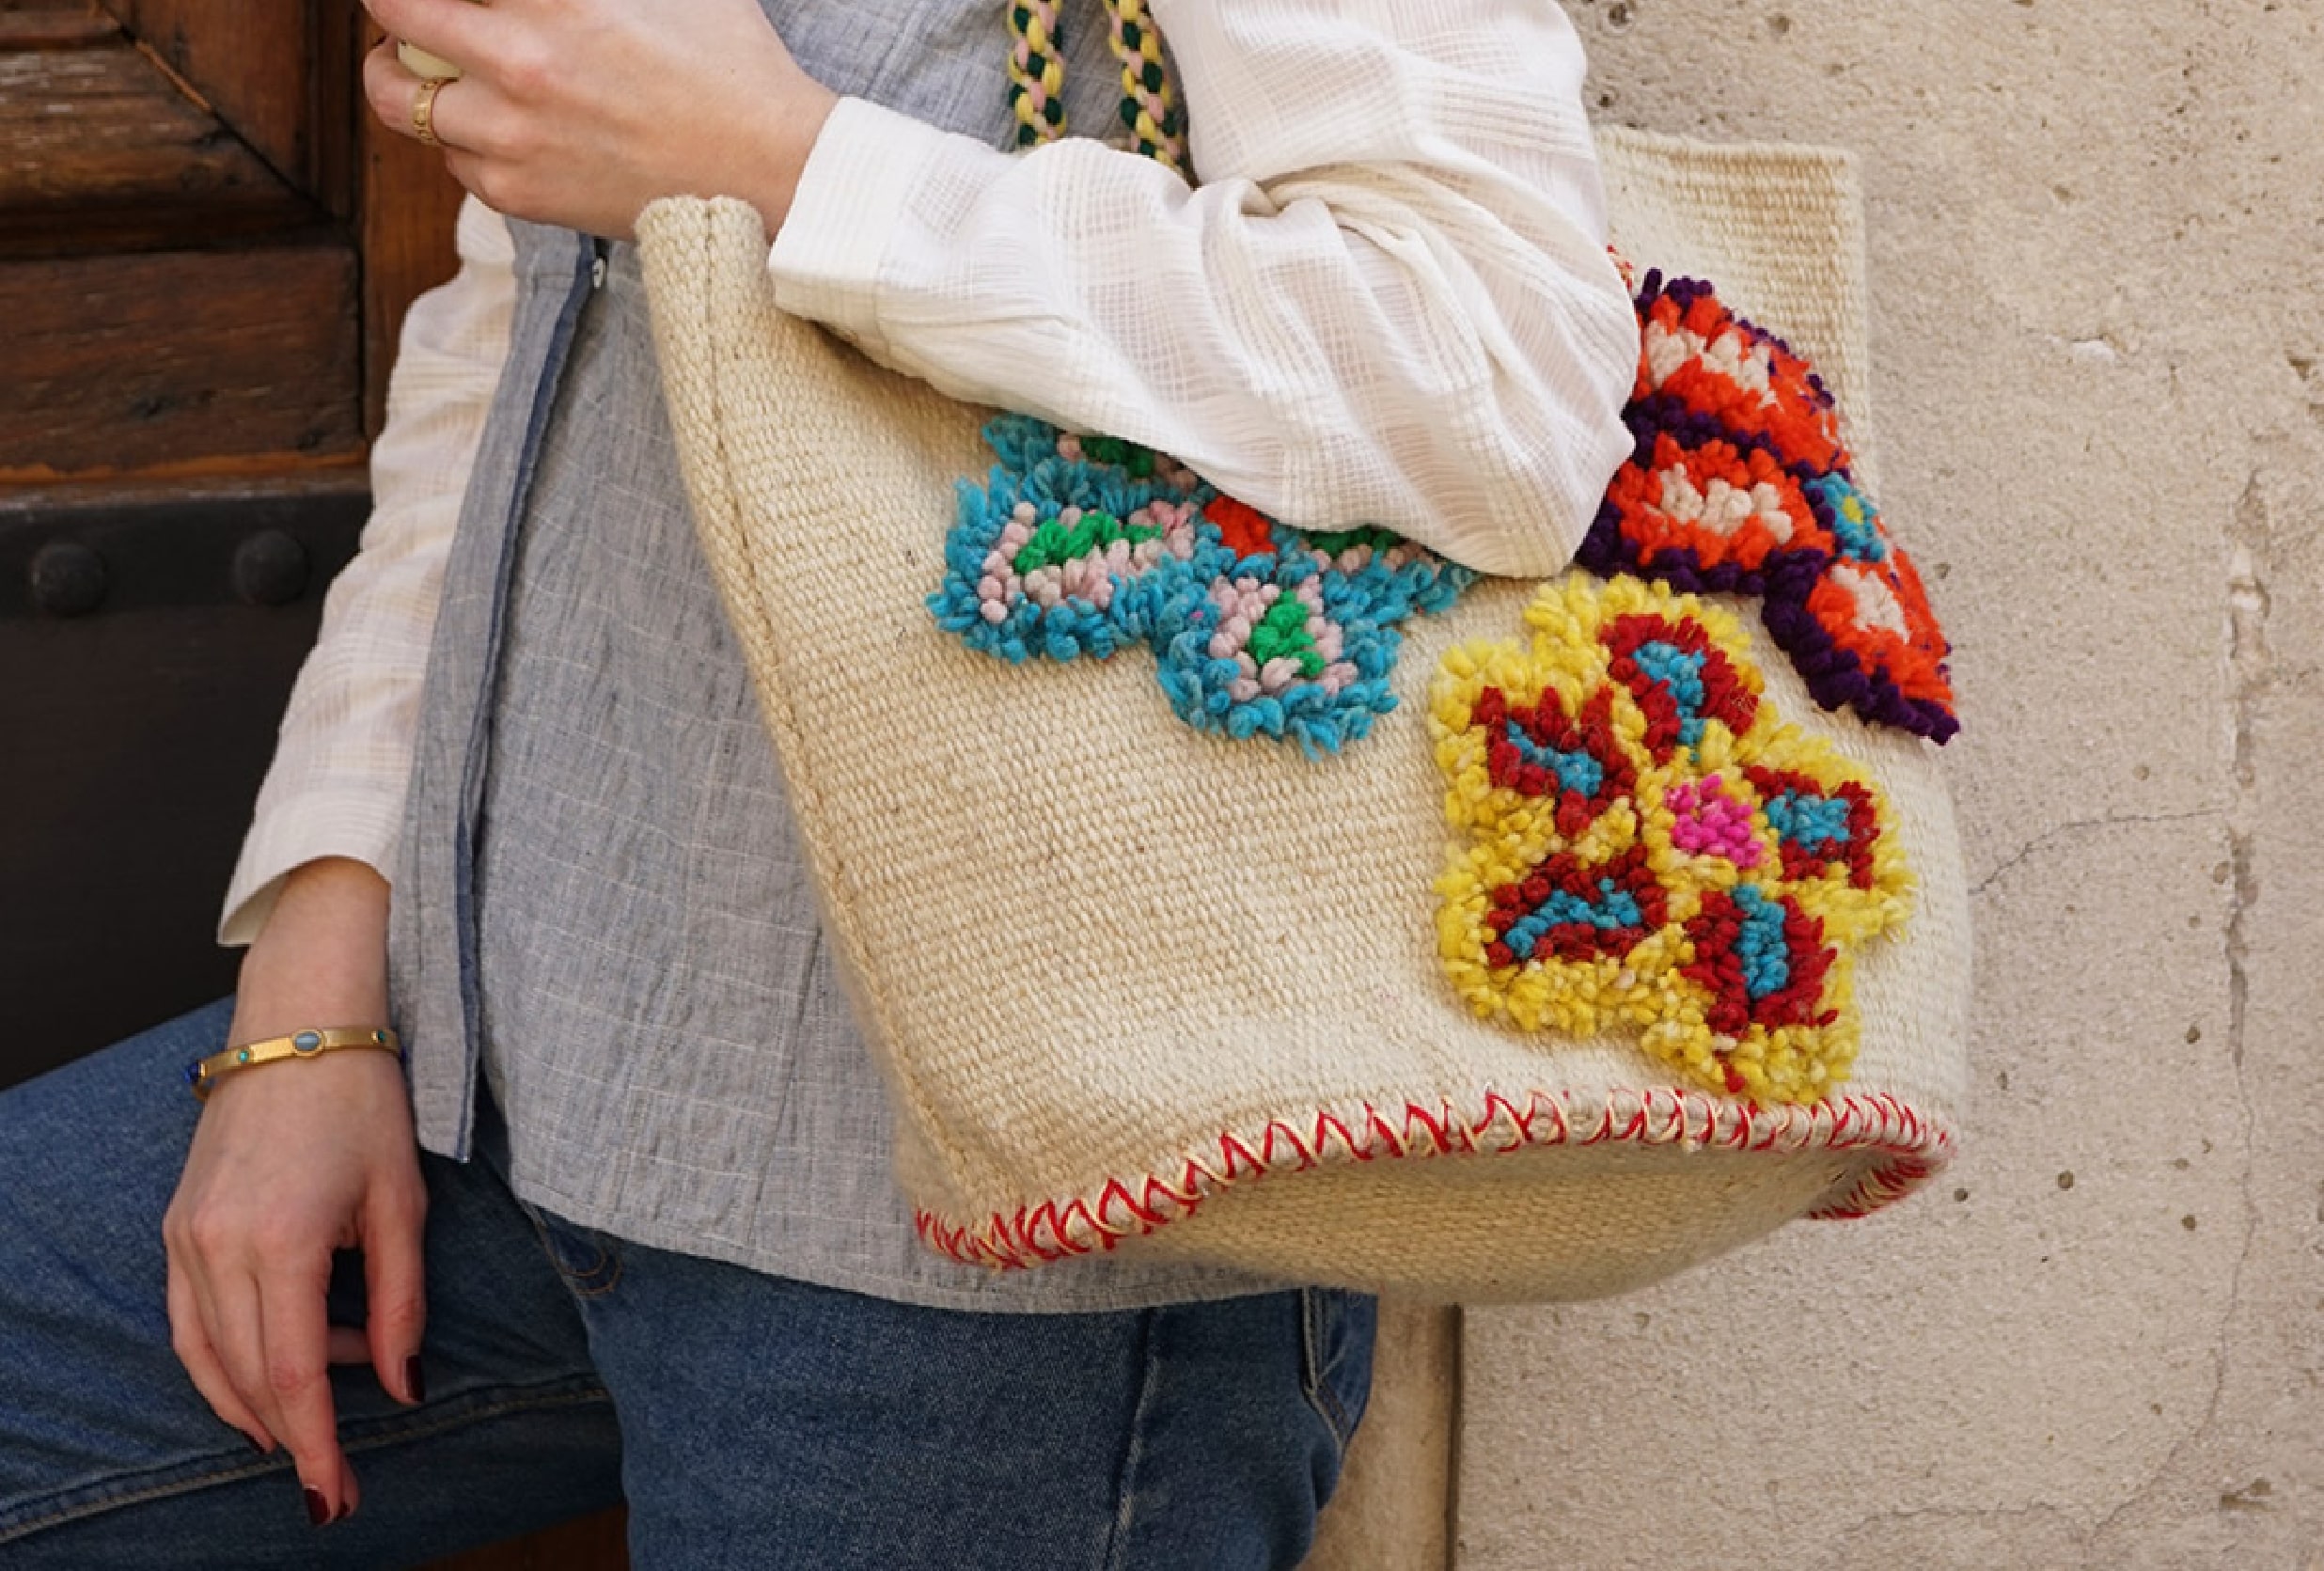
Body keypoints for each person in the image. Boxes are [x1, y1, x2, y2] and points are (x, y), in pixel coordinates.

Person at [0, 0, 1638, 1564]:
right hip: (485, 1078)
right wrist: (318, 984)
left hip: (973, 1248)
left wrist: (789, 160)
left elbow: (1489, 369)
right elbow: (525, 333)